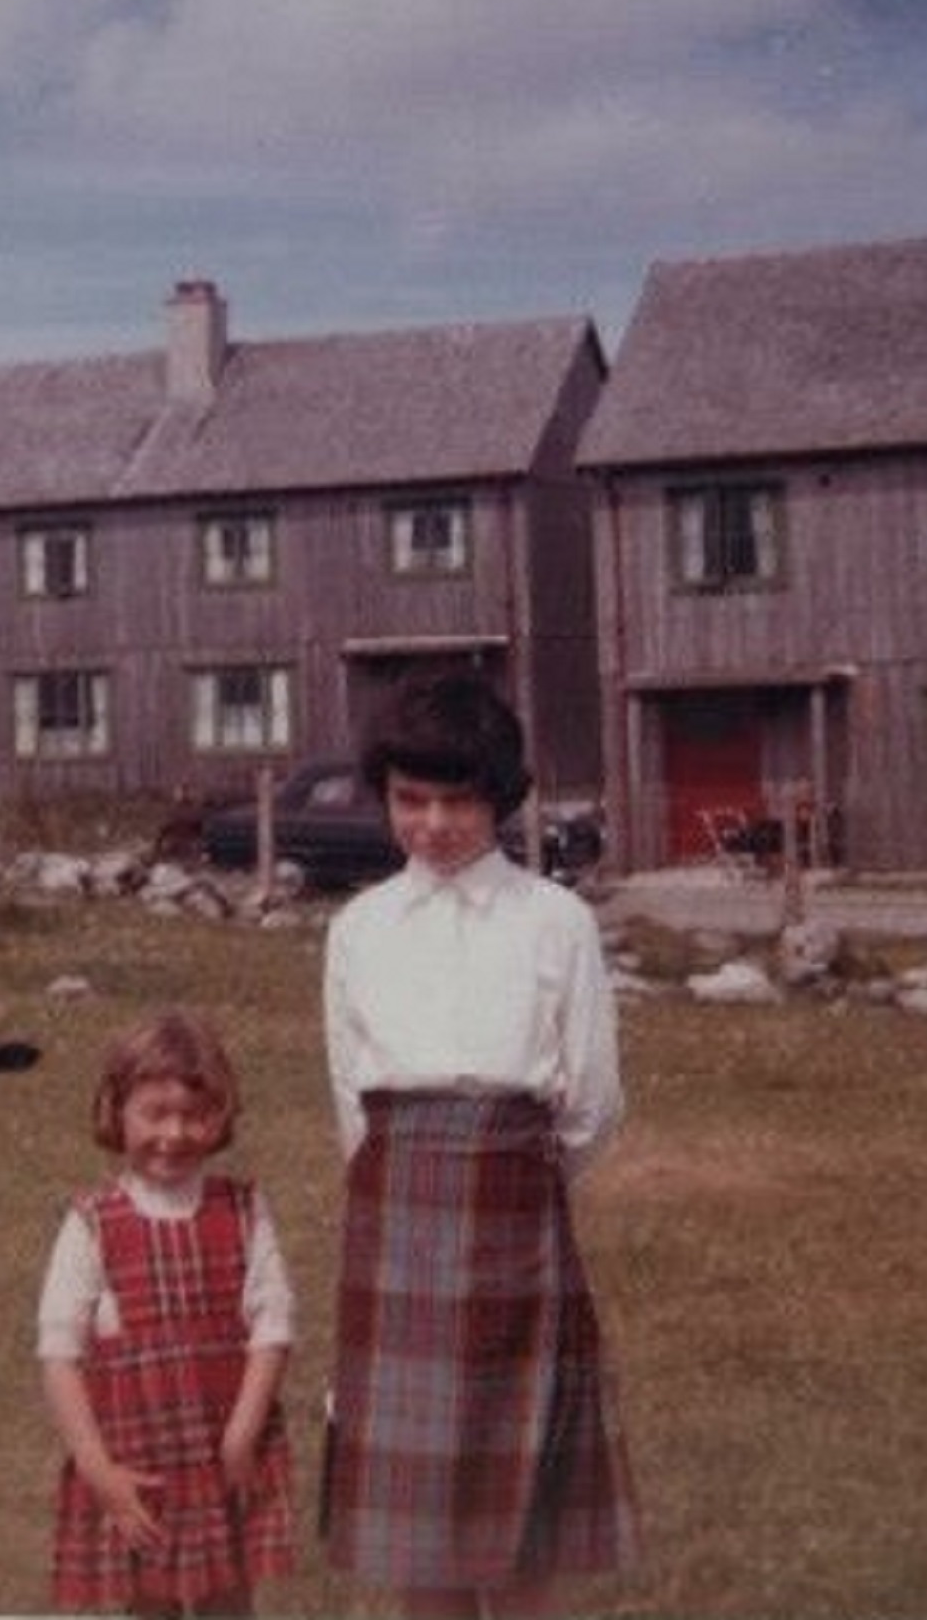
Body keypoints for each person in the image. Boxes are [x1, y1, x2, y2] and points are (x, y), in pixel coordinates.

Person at [322, 672, 639, 1618]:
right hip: (397, 1222)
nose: (432, 822)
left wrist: (514, 1182)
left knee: (519, 1499)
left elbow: (591, 1100)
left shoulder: (556, 921)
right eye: (409, 800)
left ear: (500, 798)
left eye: (457, 799)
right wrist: (410, 1183)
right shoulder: (359, 927)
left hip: (517, 1221)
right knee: (421, 1516)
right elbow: (350, 1095)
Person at [37, 1011, 294, 1618]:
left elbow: (274, 1326)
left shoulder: (244, 1210)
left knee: (229, 1602)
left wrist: (243, 1434)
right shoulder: (93, 1222)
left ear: (221, 1116)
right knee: (148, 1604)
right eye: (155, 1113)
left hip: (224, 1455)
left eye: (194, 1114)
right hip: (136, 1467)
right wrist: (99, 1472)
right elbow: (59, 1354)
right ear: (118, 1112)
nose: (174, 1133)